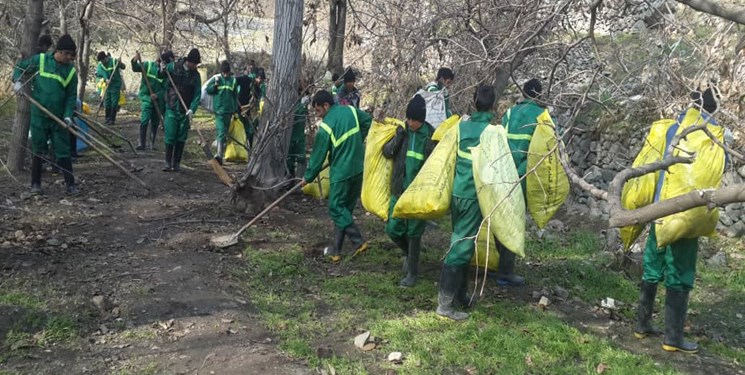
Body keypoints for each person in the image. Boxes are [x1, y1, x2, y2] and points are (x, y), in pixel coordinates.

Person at [633, 87, 722, 354]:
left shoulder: (673, 128)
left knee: (652, 266)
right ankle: (672, 338)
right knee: (680, 273)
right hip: (686, 215)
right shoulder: (713, 134)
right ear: (712, 108)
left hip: (659, 212)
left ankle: (642, 324)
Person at [436, 84, 497, 321]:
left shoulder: (462, 126)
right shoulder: (491, 132)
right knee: (461, 247)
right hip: (473, 196)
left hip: (458, 193)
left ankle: (460, 296)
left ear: (474, 103)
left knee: (463, 242)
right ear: (493, 106)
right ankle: (445, 305)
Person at [302, 90, 372, 262]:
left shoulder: (326, 126)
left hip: (342, 171)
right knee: (344, 210)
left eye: (318, 111)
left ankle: (358, 241)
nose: (318, 116)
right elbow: (368, 122)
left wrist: (308, 177)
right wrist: (355, 140)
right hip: (357, 167)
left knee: (335, 207)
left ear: (326, 105)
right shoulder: (350, 110)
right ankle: (336, 251)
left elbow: (318, 155)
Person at [497, 78, 550, 287]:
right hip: (524, 176)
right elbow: (548, 147)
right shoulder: (541, 116)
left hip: (503, 172)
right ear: (539, 95)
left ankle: (497, 261)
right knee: (514, 222)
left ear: (524, 92)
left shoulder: (509, 113)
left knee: (500, 216)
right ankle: (505, 271)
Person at [12, 34, 79, 195]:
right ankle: (36, 184)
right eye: (69, 54)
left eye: (72, 55)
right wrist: (18, 81)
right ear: (60, 52)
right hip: (39, 116)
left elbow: (71, 97)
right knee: (38, 149)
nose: (70, 58)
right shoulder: (41, 60)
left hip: (59, 119)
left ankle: (71, 185)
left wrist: (68, 115)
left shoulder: (70, 72)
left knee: (63, 150)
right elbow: (21, 67)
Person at [382, 95, 435, 287]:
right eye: (408, 119)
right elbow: (387, 152)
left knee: (414, 233)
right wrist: (398, 137)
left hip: (418, 196)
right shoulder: (402, 132)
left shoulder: (430, 136)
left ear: (421, 119)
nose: (410, 122)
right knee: (392, 229)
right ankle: (409, 255)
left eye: (413, 120)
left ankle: (412, 272)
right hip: (399, 191)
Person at [159, 48, 202, 172]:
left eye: (196, 64)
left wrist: (192, 110)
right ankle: (167, 162)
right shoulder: (174, 67)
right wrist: (162, 69)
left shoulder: (196, 76)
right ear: (188, 61)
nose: (195, 66)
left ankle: (176, 163)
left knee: (181, 137)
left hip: (185, 111)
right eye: (194, 64)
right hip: (172, 107)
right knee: (170, 135)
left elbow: (197, 94)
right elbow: (161, 75)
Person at [132, 51, 168, 150]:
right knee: (144, 120)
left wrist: (157, 95)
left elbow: (165, 88)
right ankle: (142, 144)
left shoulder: (165, 73)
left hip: (158, 101)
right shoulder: (147, 65)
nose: (160, 65)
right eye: (159, 62)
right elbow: (135, 68)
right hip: (146, 98)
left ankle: (152, 143)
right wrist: (134, 60)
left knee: (155, 122)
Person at [206, 60, 239, 164]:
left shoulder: (233, 81)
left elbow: (235, 95)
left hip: (229, 111)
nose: (225, 75)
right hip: (219, 110)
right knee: (220, 131)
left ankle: (224, 153)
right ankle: (219, 155)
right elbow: (208, 90)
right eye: (223, 73)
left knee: (225, 132)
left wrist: (236, 109)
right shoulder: (217, 79)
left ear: (229, 72)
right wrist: (215, 85)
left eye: (226, 73)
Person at [95, 51, 126, 125]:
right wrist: (106, 79)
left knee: (114, 102)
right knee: (107, 101)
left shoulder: (114, 61)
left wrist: (120, 63)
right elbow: (101, 72)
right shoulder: (100, 65)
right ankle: (107, 118)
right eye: (101, 61)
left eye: (103, 60)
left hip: (115, 84)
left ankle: (112, 119)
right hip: (107, 85)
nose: (102, 62)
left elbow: (123, 67)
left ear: (106, 58)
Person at [287, 83, 310, 177]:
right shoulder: (296, 108)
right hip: (295, 138)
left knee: (296, 159)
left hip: (297, 137)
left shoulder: (296, 107)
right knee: (297, 160)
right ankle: (295, 180)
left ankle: (296, 181)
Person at [235, 65, 256, 147]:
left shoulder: (241, 79)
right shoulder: (248, 80)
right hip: (244, 106)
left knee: (245, 126)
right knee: (244, 125)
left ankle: (245, 143)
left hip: (244, 106)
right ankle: (246, 144)